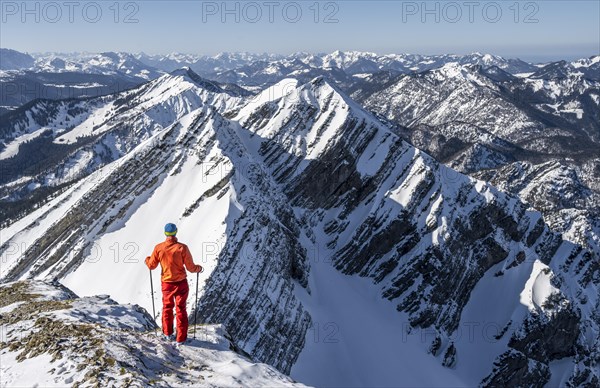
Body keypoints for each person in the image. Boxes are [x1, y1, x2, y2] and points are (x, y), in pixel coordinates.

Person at [145, 223, 202, 344]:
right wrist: (198, 268)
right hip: (181, 283)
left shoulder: (159, 248)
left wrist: (147, 259)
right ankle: (181, 338)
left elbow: (152, 266)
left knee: (167, 308)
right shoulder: (182, 248)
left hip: (167, 283)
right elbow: (191, 268)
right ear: (176, 232)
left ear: (165, 233)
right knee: (181, 309)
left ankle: (167, 334)